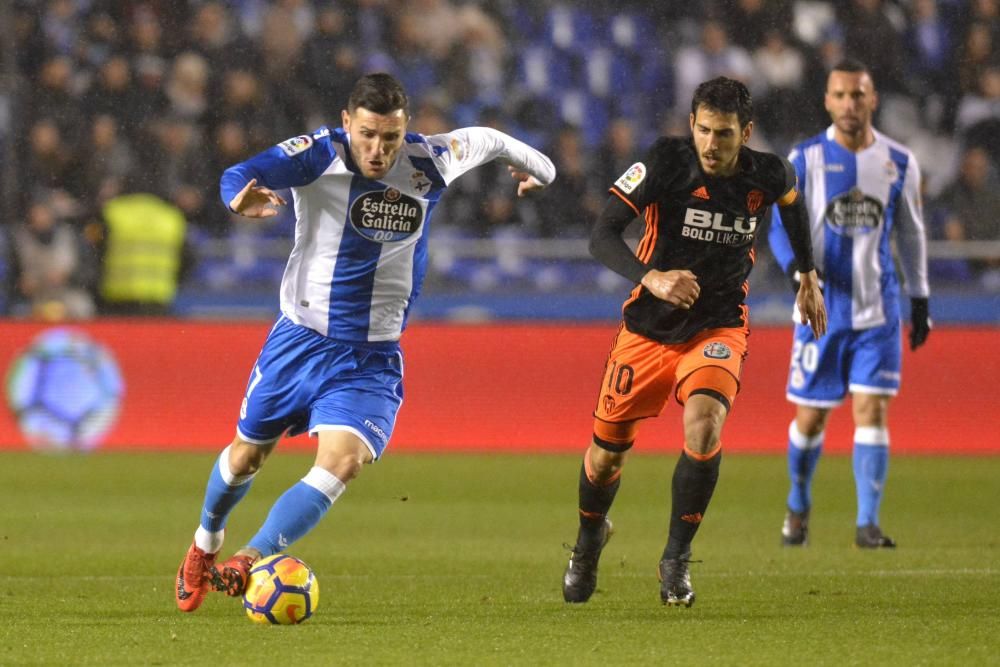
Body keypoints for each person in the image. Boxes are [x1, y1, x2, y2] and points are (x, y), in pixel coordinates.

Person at [175, 72, 556, 612]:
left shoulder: (433, 161)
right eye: (369, 135)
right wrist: (237, 198)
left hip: (371, 356)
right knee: (246, 459)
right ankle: (204, 544)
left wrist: (541, 170)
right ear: (347, 122)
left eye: (391, 138)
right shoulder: (315, 155)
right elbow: (240, 171)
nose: (379, 151)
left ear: (406, 131)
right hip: (299, 341)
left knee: (343, 462)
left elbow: (493, 140)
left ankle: (250, 557)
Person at [561, 77, 826, 607]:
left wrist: (806, 273)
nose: (711, 143)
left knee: (704, 425)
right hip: (647, 330)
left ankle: (675, 559)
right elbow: (601, 235)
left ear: (745, 132)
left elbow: (791, 201)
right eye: (703, 130)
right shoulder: (664, 163)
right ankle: (590, 535)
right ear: (691, 126)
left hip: (718, 325)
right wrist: (650, 277)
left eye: (724, 134)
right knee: (603, 460)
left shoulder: (766, 173)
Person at [767, 60, 931, 550]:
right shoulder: (806, 158)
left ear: (873, 99)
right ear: (827, 101)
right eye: (840, 95)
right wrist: (800, 276)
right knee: (810, 419)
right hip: (820, 311)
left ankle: (867, 523)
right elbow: (778, 227)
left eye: (858, 95)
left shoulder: (899, 161)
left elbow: (912, 233)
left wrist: (919, 298)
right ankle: (798, 504)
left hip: (877, 311)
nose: (849, 104)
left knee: (872, 411)